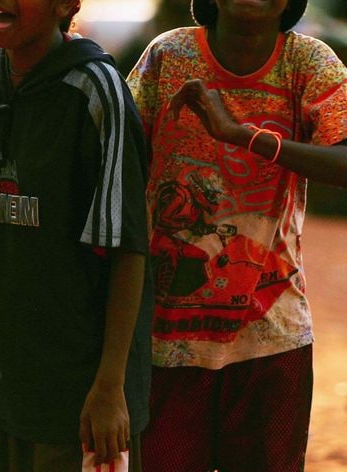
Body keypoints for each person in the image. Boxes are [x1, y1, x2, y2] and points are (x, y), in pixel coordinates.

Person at [0, 0, 153, 469]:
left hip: (81, 397)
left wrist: (110, 388)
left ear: (66, 4)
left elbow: (128, 247)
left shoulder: (94, 89)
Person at [126, 0, 347, 469]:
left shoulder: (308, 62)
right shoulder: (169, 55)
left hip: (271, 335)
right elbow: (113, 162)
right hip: (167, 338)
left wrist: (241, 135)